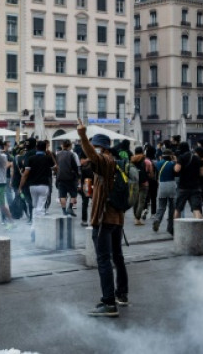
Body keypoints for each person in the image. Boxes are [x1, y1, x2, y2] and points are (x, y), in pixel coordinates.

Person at [77, 121, 128, 318]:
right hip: (117, 218)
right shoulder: (115, 163)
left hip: (104, 219)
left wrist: (82, 136)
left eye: (96, 146)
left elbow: (92, 155)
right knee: (117, 256)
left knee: (104, 260)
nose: (94, 149)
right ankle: (121, 294)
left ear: (103, 148)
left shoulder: (104, 161)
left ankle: (108, 303)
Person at [19, 140, 55, 239]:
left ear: (36, 148)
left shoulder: (31, 159)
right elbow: (56, 168)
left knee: (34, 207)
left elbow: (25, 174)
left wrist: (20, 186)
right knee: (41, 208)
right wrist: (50, 155)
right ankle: (39, 230)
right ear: (45, 148)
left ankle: (33, 228)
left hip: (32, 186)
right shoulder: (48, 158)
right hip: (44, 185)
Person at [173, 142, 203, 219]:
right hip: (195, 186)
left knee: (178, 209)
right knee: (196, 209)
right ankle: (198, 226)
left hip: (183, 187)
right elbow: (202, 173)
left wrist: (175, 163)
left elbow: (177, 169)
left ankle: (175, 225)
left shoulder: (181, 157)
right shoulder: (197, 158)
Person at [152, 150, 177, 235]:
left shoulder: (158, 163)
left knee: (161, 207)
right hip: (171, 185)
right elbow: (176, 173)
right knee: (172, 208)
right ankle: (170, 227)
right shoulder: (172, 164)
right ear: (170, 156)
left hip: (162, 186)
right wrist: (175, 160)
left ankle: (157, 220)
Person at [55, 140, 81, 217]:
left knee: (62, 195)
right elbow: (75, 166)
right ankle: (70, 208)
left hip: (60, 177)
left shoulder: (58, 154)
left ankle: (64, 211)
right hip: (70, 177)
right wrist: (78, 176)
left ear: (62, 145)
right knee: (73, 194)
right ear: (70, 146)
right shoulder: (71, 154)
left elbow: (57, 165)